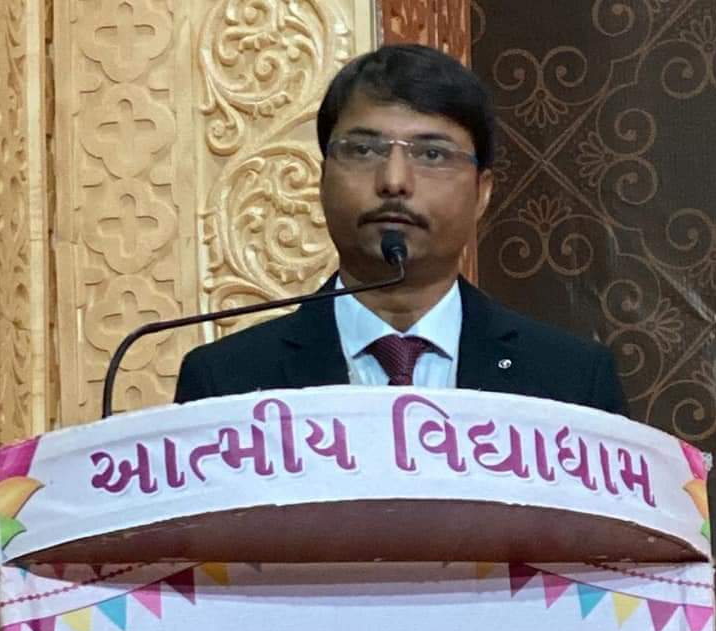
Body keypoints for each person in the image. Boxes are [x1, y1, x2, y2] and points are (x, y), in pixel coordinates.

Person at [175, 44, 627, 415]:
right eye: (363, 150)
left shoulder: (571, 382)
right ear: (323, 180)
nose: (393, 181)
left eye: (431, 154)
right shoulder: (225, 383)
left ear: (482, 192)